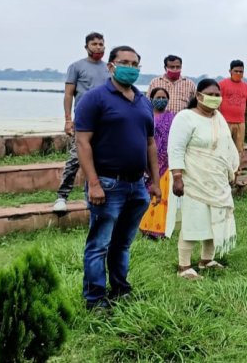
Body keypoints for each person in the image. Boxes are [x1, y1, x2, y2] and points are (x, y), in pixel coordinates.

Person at [74, 46, 161, 310]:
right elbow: (82, 142)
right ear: (111, 66)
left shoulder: (143, 101)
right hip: (108, 183)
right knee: (99, 244)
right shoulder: (95, 98)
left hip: (137, 185)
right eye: (125, 62)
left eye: (135, 64)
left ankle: (121, 289)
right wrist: (94, 183)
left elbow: (150, 144)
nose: (130, 68)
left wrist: (155, 181)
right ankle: (95, 298)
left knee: (122, 244)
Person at [169, 79, 240, 280]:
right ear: (199, 96)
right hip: (193, 179)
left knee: (215, 219)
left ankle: (206, 260)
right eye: (211, 94)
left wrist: (234, 168)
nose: (215, 98)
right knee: (194, 220)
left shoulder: (219, 118)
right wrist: (177, 177)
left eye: (218, 95)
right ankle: (184, 266)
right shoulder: (185, 117)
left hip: (217, 180)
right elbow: (176, 148)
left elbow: (228, 146)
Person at [53, 32, 110, 212]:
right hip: (84, 120)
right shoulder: (76, 67)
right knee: (75, 158)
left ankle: (94, 195)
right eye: (94, 44)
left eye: (101, 44)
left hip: (105, 121)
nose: (98, 47)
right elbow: (68, 94)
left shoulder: (109, 69)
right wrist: (68, 120)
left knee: (101, 159)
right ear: (86, 46)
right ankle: (62, 197)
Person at [138, 88, 179, 239]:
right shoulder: (145, 116)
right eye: (158, 97)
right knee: (147, 195)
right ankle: (145, 227)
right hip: (147, 161)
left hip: (167, 162)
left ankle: (161, 229)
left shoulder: (173, 117)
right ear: (151, 98)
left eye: (164, 97)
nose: (161, 99)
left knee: (163, 197)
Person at [218, 60, 247, 158]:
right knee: (224, 147)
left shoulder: (246, 87)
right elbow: (216, 103)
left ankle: (236, 170)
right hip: (225, 123)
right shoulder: (222, 85)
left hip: (240, 123)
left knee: (238, 149)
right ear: (230, 71)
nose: (238, 73)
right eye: (236, 71)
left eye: (241, 71)